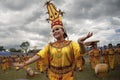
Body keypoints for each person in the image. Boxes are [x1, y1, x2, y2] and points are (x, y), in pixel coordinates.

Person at [13, 1, 81, 80]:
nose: (55, 31)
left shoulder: (71, 44)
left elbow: (81, 52)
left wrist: (81, 44)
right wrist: (24, 64)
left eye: (57, 29)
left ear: (63, 31)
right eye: (53, 31)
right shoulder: (50, 46)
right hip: (53, 76)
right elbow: (39, 55)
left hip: (68, 76)